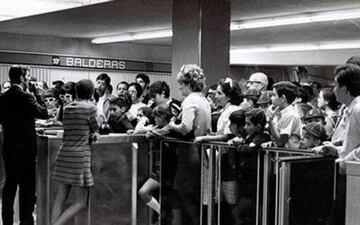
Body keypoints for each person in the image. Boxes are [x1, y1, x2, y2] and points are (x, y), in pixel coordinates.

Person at [0, 65, 48, 225]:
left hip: (9, 147)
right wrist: (39, 94)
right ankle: (25, 221)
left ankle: (6, 220)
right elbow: (43, 113)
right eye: (27, 76)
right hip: (26, 150)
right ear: (21, 78)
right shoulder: (27, 96)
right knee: (26, 188)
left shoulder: (3, 97)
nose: (29, 79)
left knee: (10, 185)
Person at [51, 79, 99, 225]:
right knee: (81, 202)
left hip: (64, 154)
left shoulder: (67, 108)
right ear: (91, 92)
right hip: (80, 156)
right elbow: (95, 129)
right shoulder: (90, 108)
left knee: (60, 197)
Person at [168, 64, 211, 225]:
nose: (180, 88)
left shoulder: (190, 101)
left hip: (188, 152)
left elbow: (185, 128)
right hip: (201, 151)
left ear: (187, 84)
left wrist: (172, 124)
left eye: (181, 85)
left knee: (185, 195)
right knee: (194, 196)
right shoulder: (204, 100)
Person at [266, 81, 302, 148]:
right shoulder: (279, 113)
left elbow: (280, 142)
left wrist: (270, 121)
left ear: (283, 98)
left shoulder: (291, 115)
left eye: (274, 95)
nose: (271, 99)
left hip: (289, 156)